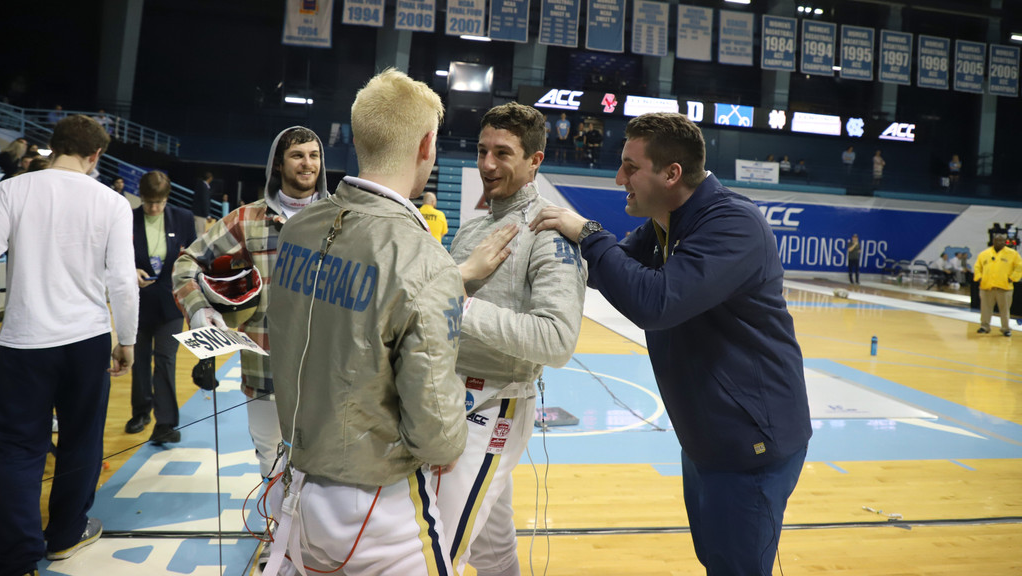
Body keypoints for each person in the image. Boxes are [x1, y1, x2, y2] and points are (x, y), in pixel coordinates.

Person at [530, 111, 811, 575]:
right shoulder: (667, 223)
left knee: (737, 568)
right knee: (716, 560)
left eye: (630, 167)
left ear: (671, 173)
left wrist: (587, 233)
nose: (619, 178)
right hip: (708, 438)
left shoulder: (732, 224)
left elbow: (655, 302)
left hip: (750, 444)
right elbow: (615, 269)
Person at [264, 68, 495, 576]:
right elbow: (434, 429)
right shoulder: (424, 259)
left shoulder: (299, 227)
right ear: (427, 145)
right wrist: (453, 439)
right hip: (376, 507)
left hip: (295, 485)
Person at [439, 101, 587, 576]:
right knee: (492, 550)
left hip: (492, 406)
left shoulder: (550, 232)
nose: (486, 165)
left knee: (436, 545)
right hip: (449, 398)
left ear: (534, 161)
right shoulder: (474, 226)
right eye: (483, 150)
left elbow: (558, 340)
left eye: (502, 153)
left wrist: (459, 304)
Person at [0, 114, 138, 574]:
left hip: (21, 340)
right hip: (85, 340)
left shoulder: (12, 190)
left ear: (51, 146)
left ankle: (18, 557)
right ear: (95, 155)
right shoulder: (111, 201)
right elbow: (122, 281)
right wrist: (128, 343)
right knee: (80, 441)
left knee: (20, 447)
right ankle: (63, 535)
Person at [172, 126, 328, 482]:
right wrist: (200, 310)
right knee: (270, 457)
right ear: (277, 164)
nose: (307, 164)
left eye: (314, 155)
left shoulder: (339, 218)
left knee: (321, 463)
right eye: (297, 155)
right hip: (264, 371)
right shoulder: (247, 220)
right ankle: (275, 527)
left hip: (326, 372)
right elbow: (186, 264)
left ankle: (307, 534)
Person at [127, 171, 197, 443]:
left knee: (165, 361)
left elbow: (192, 258)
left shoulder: (183, 218)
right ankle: (140, 412)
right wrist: (130, 270)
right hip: (137, 304)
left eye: (159, 202)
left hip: (171, 303)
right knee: (140, 360)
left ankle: (165, 423)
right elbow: (116, 255)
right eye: (148, 202)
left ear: (167, 198)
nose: (153, 208)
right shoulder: (128, 219)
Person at [973, 233, 1022, 337]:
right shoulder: (984, 254)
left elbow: (1019, 267)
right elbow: (977, 267)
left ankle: (1005, 328)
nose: (999, 242)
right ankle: (984, 326)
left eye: (1001, 240)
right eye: (997, 240)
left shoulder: (1012, 254)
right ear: (993, 241)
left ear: (1005, 242)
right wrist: (979, 277)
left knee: (1004, 309)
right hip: (987, 286)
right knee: (985, 308)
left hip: (1004, 287)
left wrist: (1012, 278)